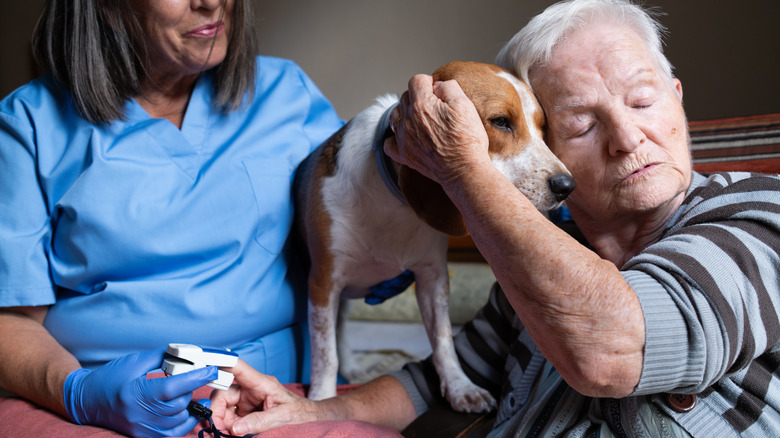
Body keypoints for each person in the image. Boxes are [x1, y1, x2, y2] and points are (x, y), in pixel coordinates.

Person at [205, 0, 780, 437]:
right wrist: (317, 408)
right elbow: (431, 382)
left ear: (678, 98)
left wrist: (462, 171)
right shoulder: (537, 263)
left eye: (642, 100)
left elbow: (613, 348)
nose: (627, 137)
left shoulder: (760, 212)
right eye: (580, 124)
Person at [0, 0, 407, 436]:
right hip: (101, 410)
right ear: (109, 7)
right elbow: (11, 318)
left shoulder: (286, 93)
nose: (211, 2)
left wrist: (389, 243)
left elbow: (344, 241)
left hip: (274, 400)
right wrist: (80, 394)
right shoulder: (29, 125)